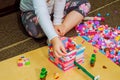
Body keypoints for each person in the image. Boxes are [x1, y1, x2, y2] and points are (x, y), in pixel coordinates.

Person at [20, 0, 91, 58]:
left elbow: (60, 1)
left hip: (54, 9)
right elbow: (42, 14)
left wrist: (57, 23)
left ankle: (60, 30)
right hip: (33, 11)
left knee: (85, 5)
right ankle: (55, 31)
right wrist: (53, 38)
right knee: (34, 30)